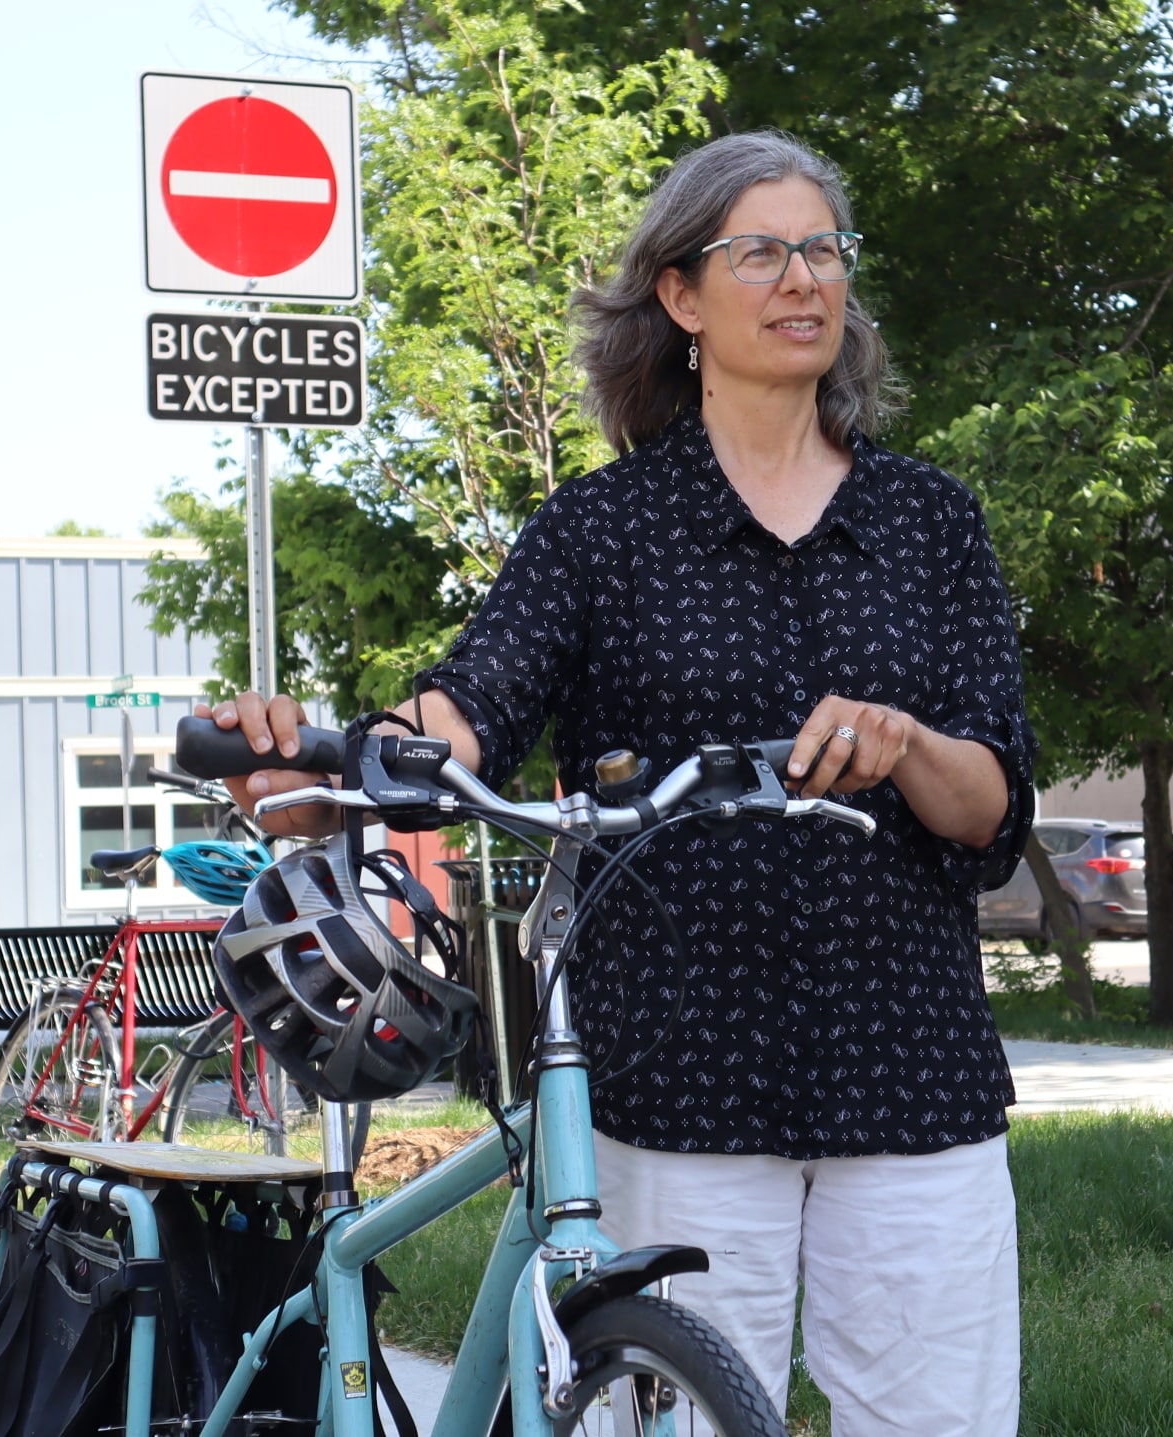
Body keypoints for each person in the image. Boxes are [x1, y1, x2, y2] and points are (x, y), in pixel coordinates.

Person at [201, 130, 1036, 1436]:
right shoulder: (600, 532)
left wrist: (907, 742)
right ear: (682, 295)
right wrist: (327, 765)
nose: (802, 276)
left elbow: (990, 806)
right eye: (760, 250)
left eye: (822, 248)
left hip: (911, 1078)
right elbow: (463, 713)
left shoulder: (932, 524)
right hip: (675, 1076)